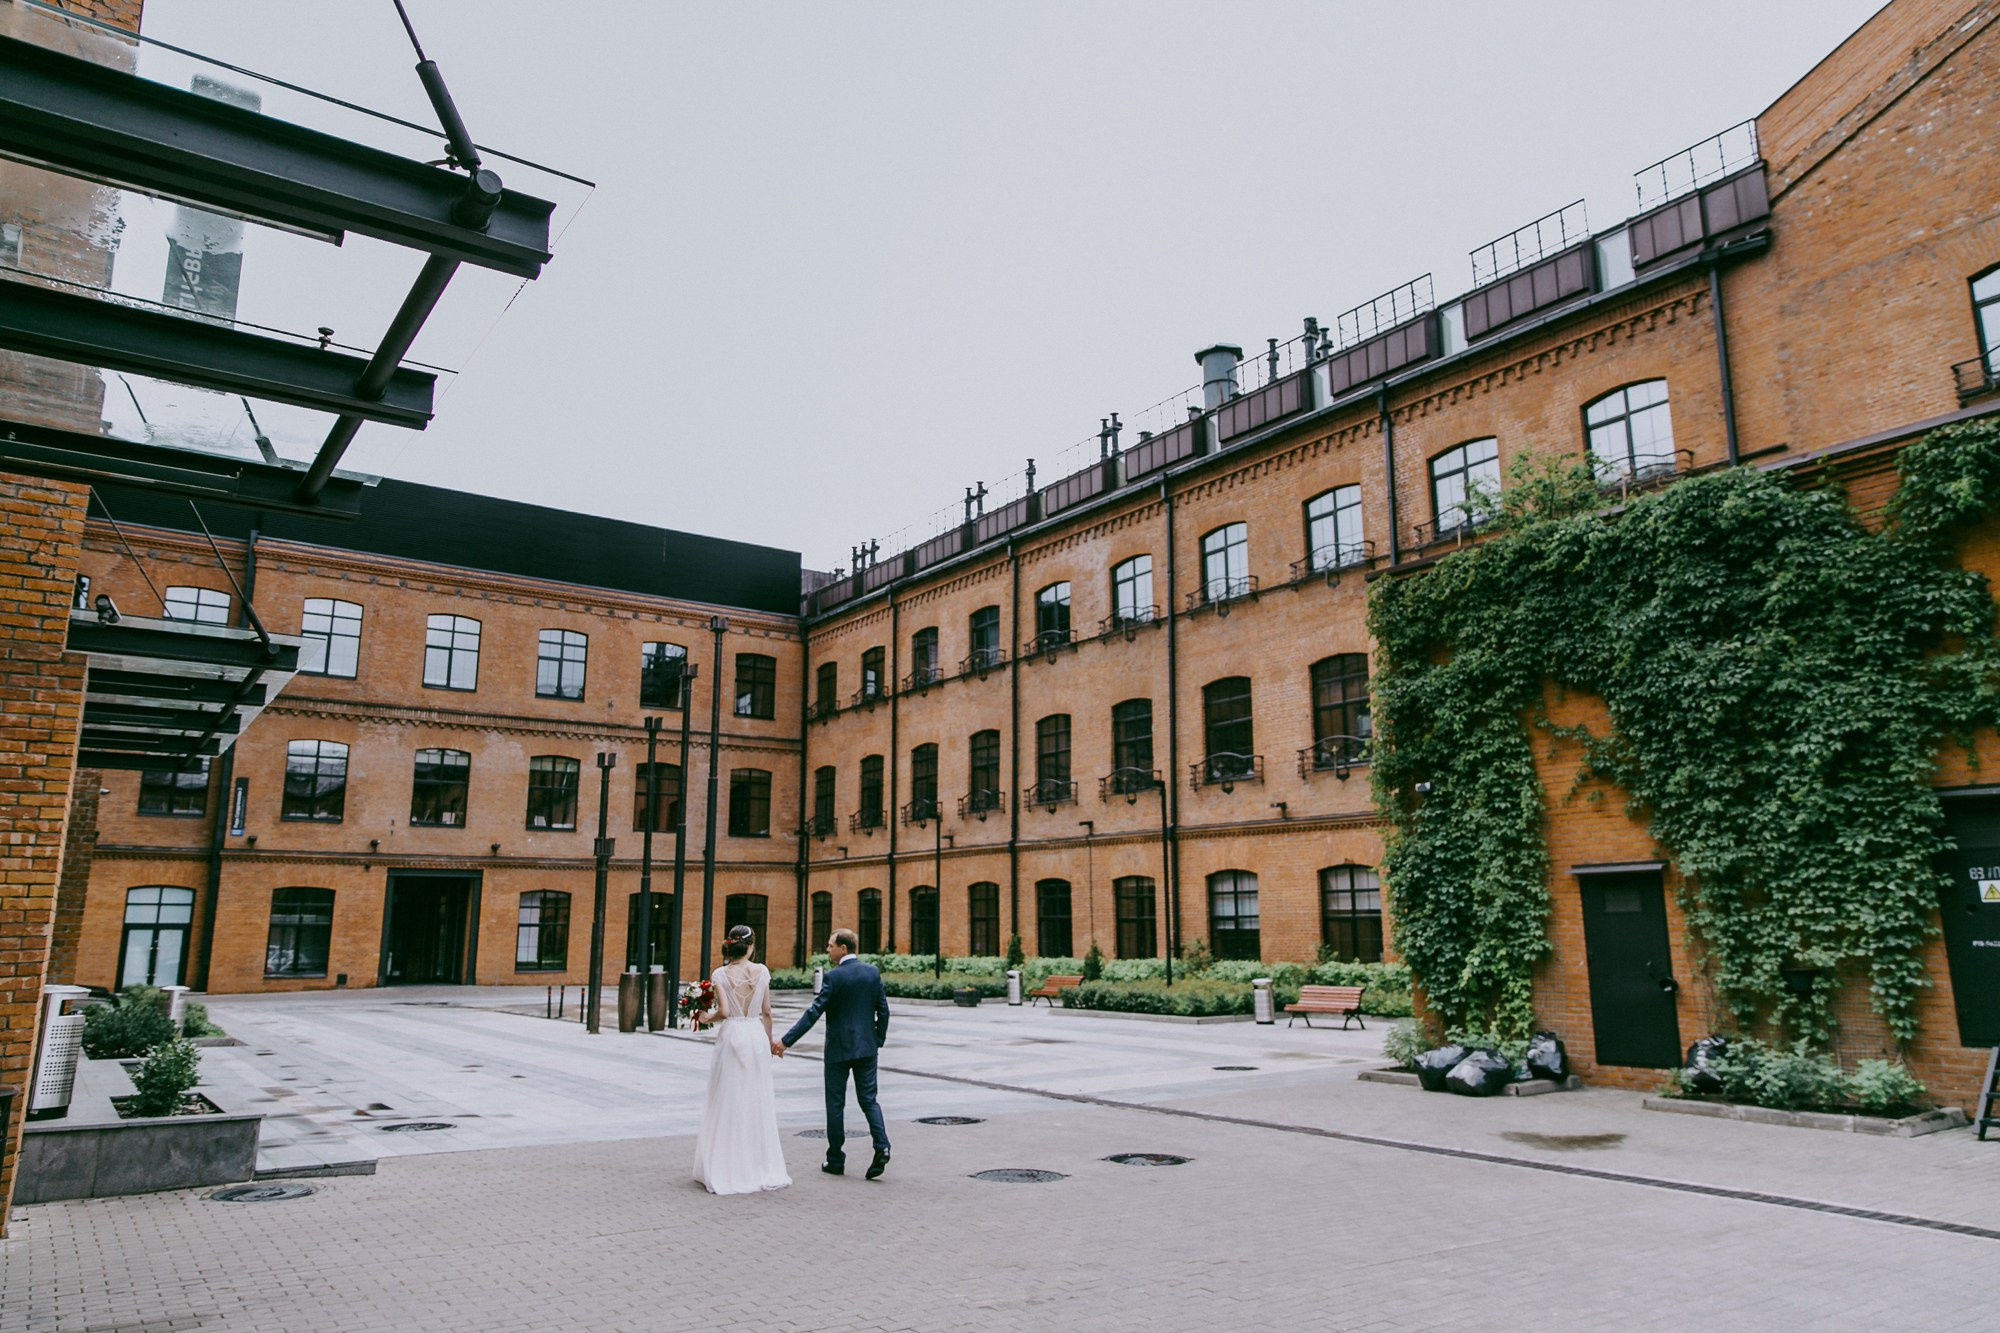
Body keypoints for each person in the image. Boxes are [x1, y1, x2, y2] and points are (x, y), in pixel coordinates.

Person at [775, 928, 891, 1179]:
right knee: (869, 1100)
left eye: (830, 945)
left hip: (838, 1050)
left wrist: (786, 1041)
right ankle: (882, 1146)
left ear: (843, 948)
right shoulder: (872, 973)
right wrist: (877, 1040)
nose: (827, 949)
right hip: (866, 1048)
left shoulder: (834, 977)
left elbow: (813, 1013)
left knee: (835, 1104)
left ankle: (835, 1159)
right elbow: (883, 1010)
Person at [689, 924, 791, 1195]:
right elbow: (767, 1011)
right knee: (756, 1097)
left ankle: (725, 1165)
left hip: (733, 1034)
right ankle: (758, 1165)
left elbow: (723, 1011)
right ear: (751, 946)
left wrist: (706, 1017)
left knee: (727, 1096)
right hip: (755, 1034)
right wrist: (769, 1041)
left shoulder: (720, 974)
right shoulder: (763, 971)